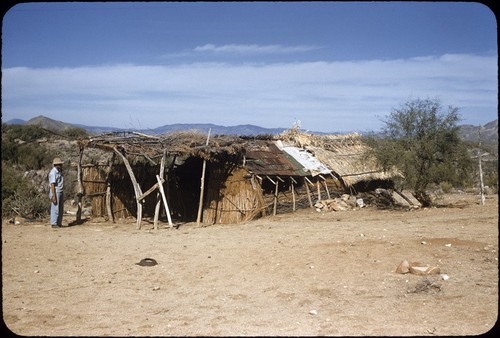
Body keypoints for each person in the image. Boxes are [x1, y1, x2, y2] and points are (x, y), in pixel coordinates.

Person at [49, 157, 64, 228]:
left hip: (60, 191)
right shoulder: (53, 173)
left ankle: (58, 222)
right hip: (56, 191)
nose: (61, 166)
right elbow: (52, 185)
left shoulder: (59, 172)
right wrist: (54, 195)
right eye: (59, 164)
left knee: (60, 208)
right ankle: (54, 223)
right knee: (55, 207)